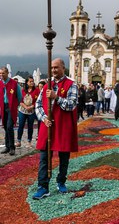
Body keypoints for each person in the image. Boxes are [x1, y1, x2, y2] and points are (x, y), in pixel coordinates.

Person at [32, 58, 78, 200]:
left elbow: (72, 105)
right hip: (48, 126)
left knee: (64, 157)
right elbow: (38, 105)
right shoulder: (47, 85)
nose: (53, 70)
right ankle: (43, 187)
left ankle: (61, 181)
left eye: (56, 67)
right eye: (52, 67)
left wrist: (56, 97)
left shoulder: (71, 85)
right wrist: (44, 118)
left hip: (63, 126)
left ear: (63, 68)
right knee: (44, 158)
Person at [0, 67, 22, 155]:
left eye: (3, 73)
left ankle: (12, 147)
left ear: (7, 73)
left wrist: (16, 106)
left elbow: (20, 96)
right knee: (5, 126)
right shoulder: (0, 83)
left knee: (9, 126)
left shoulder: (14, 84)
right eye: (0, 73)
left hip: (11, 107)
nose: (1, 75)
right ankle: (7, 146)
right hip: (3, 106)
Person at [16, 76, 40, 148]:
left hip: (31, 111)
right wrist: (25, 107)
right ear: (27, 82)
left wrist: (32, 106)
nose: (32, 83)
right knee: (21, 125)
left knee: (30, 126)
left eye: (33, 81)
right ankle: (18, 140)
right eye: (30, 81)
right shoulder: (23, 90)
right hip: (22, 110)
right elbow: (20, 100)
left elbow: (38, 100)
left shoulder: (37, 90)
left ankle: (29, 141)